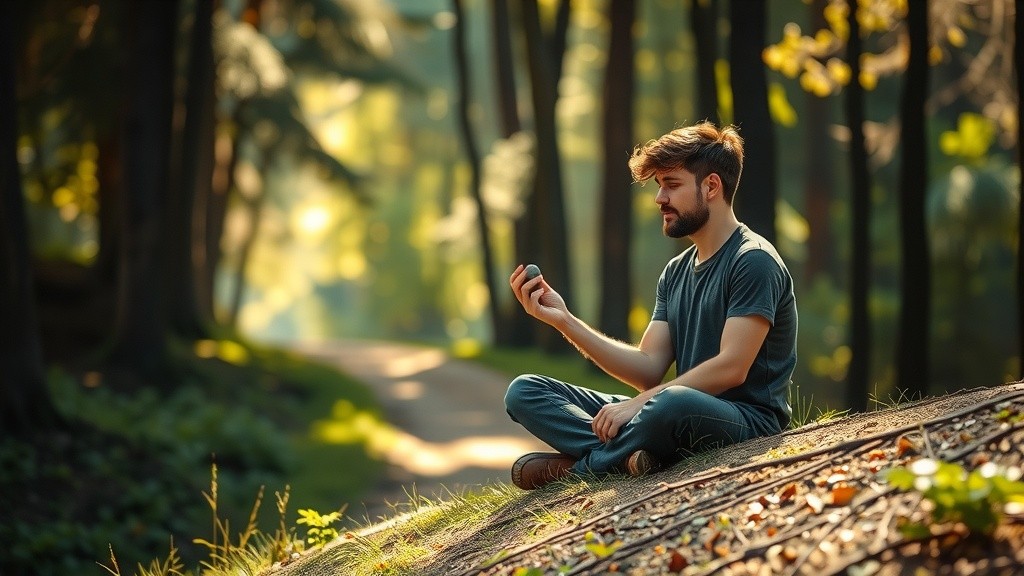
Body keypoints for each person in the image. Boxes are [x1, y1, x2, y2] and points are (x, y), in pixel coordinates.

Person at [505, 121, 798, 490]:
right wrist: (564, 321)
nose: (660, 199)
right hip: (670, 409)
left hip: (745, 420)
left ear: (711, 186)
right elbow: (648, 368)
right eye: (659, 186)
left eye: (671, 185)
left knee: (669, 403)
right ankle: (631, 458)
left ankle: (578, 470)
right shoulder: (676, 272)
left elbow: (732, 368)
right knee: (524, 390)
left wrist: (638, 404)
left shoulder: (752, 260)